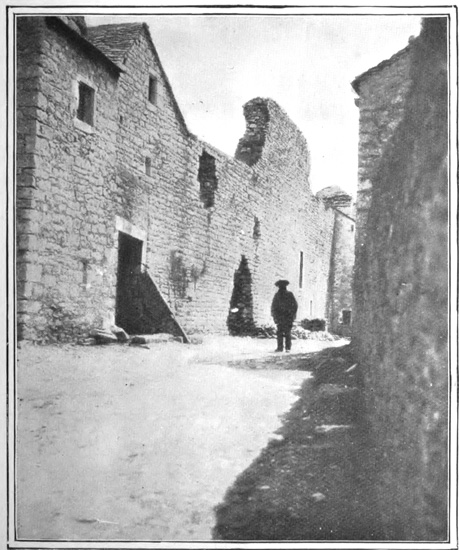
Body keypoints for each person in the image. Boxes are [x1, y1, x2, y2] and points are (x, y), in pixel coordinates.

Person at [271, 279, 298, 352]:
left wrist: (292, 314)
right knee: (280, 332)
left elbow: (295, 306)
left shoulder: (289, 294)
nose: (282, 288)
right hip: (280, 317)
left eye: (283, 286)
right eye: (281, 286)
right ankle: (280, 347)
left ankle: (287, 348)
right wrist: (274, 316)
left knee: (287, 332)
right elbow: (273, 306)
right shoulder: (277, 295)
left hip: (287, 316)